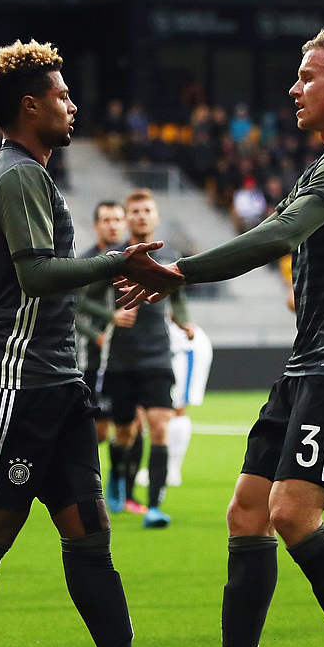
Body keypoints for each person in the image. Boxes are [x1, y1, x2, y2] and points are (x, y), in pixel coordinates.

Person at [0, 39, 212, 647]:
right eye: (61, 95)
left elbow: (54, 282)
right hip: (15, 382)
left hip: (56, 381)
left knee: (89, 531)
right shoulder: (16, 175)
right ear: (30, 105)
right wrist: (116, 264)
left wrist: (116, 283)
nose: (72, 105)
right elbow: (37, 276)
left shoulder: (32, 176)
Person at [116, 27, 324, 647]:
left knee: (291, 512)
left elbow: (275, 237)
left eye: (306, 76)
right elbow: (275, 239)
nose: (292, 88)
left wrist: (180, 271)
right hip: (311, 360)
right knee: (246, 509)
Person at [88, 189, 192, 528]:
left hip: (158, 353)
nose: (141, 216)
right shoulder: (115, 257)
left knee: (160, 425)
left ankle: (154, 507)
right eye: (134, 211)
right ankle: (118, 478)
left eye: (147, 210)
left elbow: (177, 297)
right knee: (124, 433)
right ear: (127, 217)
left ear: (156, 216)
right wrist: (110, 317)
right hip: (121, 357)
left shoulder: (171, 255)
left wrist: (183, 320)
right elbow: (81, 301)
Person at [77, 202, 127, 506]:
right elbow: (75, 307)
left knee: (130, 426)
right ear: (96, 225)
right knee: (99, 429)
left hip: (129, 357)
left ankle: (122, 484)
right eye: (106, 220)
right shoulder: (86, 262)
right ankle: (93, 487)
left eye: (117, 219)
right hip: (94, 359)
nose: (112, 225)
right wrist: (99, 330)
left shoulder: (133, 258)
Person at [165, 319, 213, 487]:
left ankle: (172, 469)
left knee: (177, 408)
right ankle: (160, 467)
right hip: (166, 344)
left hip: (183, 347)